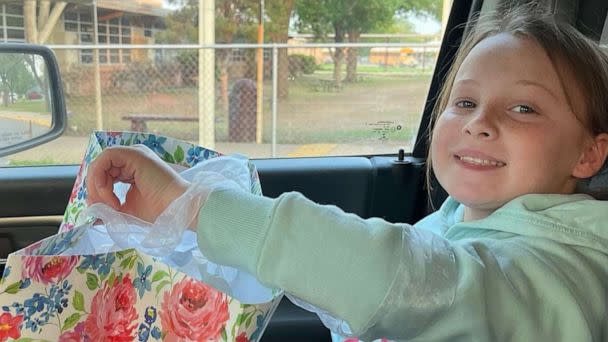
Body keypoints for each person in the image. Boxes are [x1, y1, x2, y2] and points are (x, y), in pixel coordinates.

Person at [86, 5, 608, 342]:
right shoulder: (452, 224)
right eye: (465, 100)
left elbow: (407, 280)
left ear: (588, 154)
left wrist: (192, 205)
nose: (478, 123)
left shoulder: (563, 270)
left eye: (524, 110)